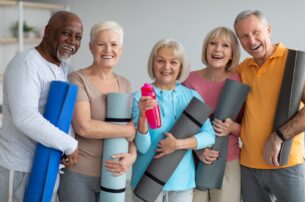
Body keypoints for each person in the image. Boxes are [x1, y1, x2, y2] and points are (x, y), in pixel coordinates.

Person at [234, 10, 305, 202]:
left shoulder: (296, 63)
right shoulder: (242, 68)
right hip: (249, 167)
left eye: (256, 32)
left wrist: (279, 136)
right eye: (244, 36)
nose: (252, 40)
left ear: (269, 29)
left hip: (287, 164)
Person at [0, 11, 83, 202]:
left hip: (48, 164)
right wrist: (69, 144)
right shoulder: (27, 64)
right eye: (66, 33)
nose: (72, 41)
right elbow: (25, 117)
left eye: (77, 37)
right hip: (20, 167)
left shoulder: (64, 68)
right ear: (48, 31)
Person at [57, 21, 136, 202]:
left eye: (114, 44)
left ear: (121, 49)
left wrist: (132, 155)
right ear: (91, 47)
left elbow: (134, 127)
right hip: (79, 175)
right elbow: (84, 127)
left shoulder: (125, 84)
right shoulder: (77, 79)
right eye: (101, 44)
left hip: (114, 174)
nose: (108, 50)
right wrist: (126, 130)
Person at [130, 39, 215, 202]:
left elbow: (209, 136)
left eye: (173, 62)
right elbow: (142, 147)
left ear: (181, 66)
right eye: (160, 61)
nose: (166, 67)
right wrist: (142, 116)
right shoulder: (139, 97)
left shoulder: (192, 96)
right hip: (146, 180)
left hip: (182, 182)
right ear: (153, 64)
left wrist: (178, 144)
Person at [183, 26, 242, 202]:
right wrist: (198, 150)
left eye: (225, 45)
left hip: (228, 161)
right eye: (213, 43)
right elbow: (181, 123)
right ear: (205, 48)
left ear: (232, 53)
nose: (217, 49)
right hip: (192, 159)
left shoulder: (238, 81)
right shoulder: (189, 80)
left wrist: (232, 127)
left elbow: (249, 126)